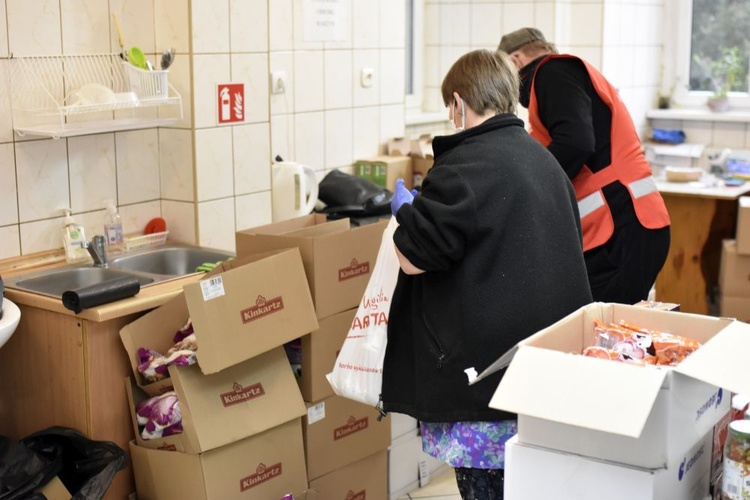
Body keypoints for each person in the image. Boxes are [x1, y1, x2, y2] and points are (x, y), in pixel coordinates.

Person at [381, 49, 593, 500]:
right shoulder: (545, 162)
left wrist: (407, 217)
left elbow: (414, 258)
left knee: (486, 489)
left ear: (458, 103)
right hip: (543, 371)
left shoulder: (463, 165)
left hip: (485, 383)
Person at [498, 27, 671, 304]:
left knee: (602, 334)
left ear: (516, 61)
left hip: (622, 230)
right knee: (603, 333)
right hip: (632, 226)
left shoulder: (551, 73)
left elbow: (574, 144)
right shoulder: (565, 78)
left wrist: (527, 187)